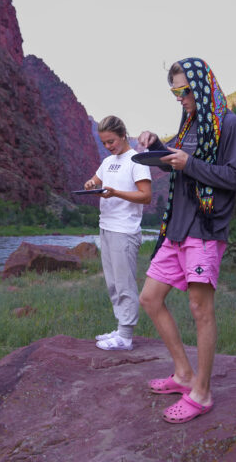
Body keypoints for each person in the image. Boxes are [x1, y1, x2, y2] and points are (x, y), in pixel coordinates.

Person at [136, 57, 236, 423]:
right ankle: (183, 373)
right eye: (174, 92)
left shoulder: (230, 125)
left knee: (201, 310)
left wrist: (191, 165)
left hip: (205, 228)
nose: (180, 98)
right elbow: (174, 159)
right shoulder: (188, 125)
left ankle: (201, 392)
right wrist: (156, 145)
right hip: (177, 228)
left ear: (201, 85)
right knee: (150, 298)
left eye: (183, 91)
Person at [85, 115, 152, 350]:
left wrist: (116, 193)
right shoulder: (108, 162)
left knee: (125, 284)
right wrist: (91, 185)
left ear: (123, 135)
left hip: (125, 229)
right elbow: (96, 179)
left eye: (111, 141)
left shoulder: (137, 160)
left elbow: (146, 195)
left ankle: (125, 336)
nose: (108, 147)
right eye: (104, 143)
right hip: (106, 226)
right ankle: (120, 328)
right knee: (113, 283)